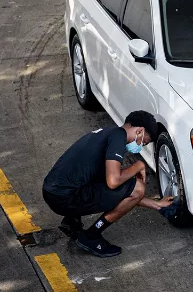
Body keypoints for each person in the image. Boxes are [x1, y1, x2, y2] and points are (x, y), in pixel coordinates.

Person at [42, 111, 174, 258]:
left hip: (52, 191)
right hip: (65, 198)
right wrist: (139, 165)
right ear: (140, 131)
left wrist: (157, 204)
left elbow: (123, 191)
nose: (140, 147)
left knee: (127, 184)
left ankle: (72, 221)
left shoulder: (106, 132)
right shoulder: (118, 137)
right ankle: (91, 236)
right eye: (143, 142)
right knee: (137, 186)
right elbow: (114, 183)